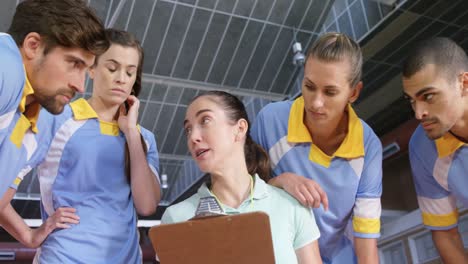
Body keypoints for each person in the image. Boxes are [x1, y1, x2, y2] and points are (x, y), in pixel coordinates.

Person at [0, 29, 161, 263]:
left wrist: (131, 133)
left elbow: (146, 206)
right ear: (92, 69)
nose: (121, 78)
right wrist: (28, 235)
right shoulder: (54, 119)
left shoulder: (143, 138)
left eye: (130, 71)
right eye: (112, 68)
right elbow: (3, 188)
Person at [251, 32, 382, 264]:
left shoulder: (369, 146)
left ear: (353, 92)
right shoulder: (270, 121)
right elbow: (240, 195)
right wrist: (279, 182)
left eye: (330, 92)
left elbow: (366, 239)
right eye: (309, 86)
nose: (315, 102)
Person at [161, 91, 322, 264]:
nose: (193, 137)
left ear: (240, 129)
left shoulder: (291, 206)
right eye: (188, 130)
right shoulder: (176, 218)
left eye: (205, 120)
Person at [0, 0, 108, 214]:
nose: (80, 86)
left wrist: (28, 235)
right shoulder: (6, 67)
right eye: (74, 64)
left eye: (85, 70)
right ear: (33, 46)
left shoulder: (38, 125)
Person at [402, 37, 468, 263]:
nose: (418, 113)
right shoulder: (422, 149)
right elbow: (445, 234)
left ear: (464, 83)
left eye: (428, 96)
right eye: (411, 101)